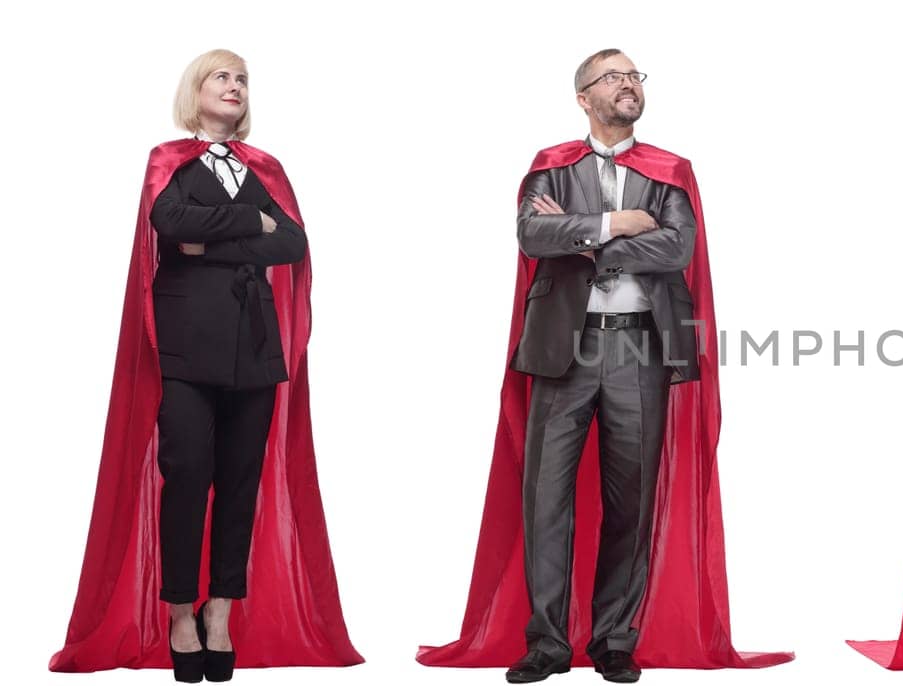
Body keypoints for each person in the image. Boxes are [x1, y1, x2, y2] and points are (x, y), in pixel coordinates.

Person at [413, 48, 790, 683]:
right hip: (565, 344)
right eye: (613, 78)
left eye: (634, 77)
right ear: (584, 98)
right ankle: (548, 642)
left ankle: (616, 637)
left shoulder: (670, 169)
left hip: (640, 346)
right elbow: (534, 236)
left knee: (631, 498)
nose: (628, 86)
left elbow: (677, 247)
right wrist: (619, 222)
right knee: (546, 498)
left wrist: (585, 236)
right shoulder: (551, 167)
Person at [49, 49, 362, 682]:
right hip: (186, 342)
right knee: (187, 474)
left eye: (242, 79)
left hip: (253, 346)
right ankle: (179, 611)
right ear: (195, 91)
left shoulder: (264, 166)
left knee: (240, 481)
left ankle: (220, 607)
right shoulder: (168, 159)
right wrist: (251, 221)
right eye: (222, 76)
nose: (235, 86)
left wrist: (213, 238)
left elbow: (293, 241)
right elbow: (168, 222)